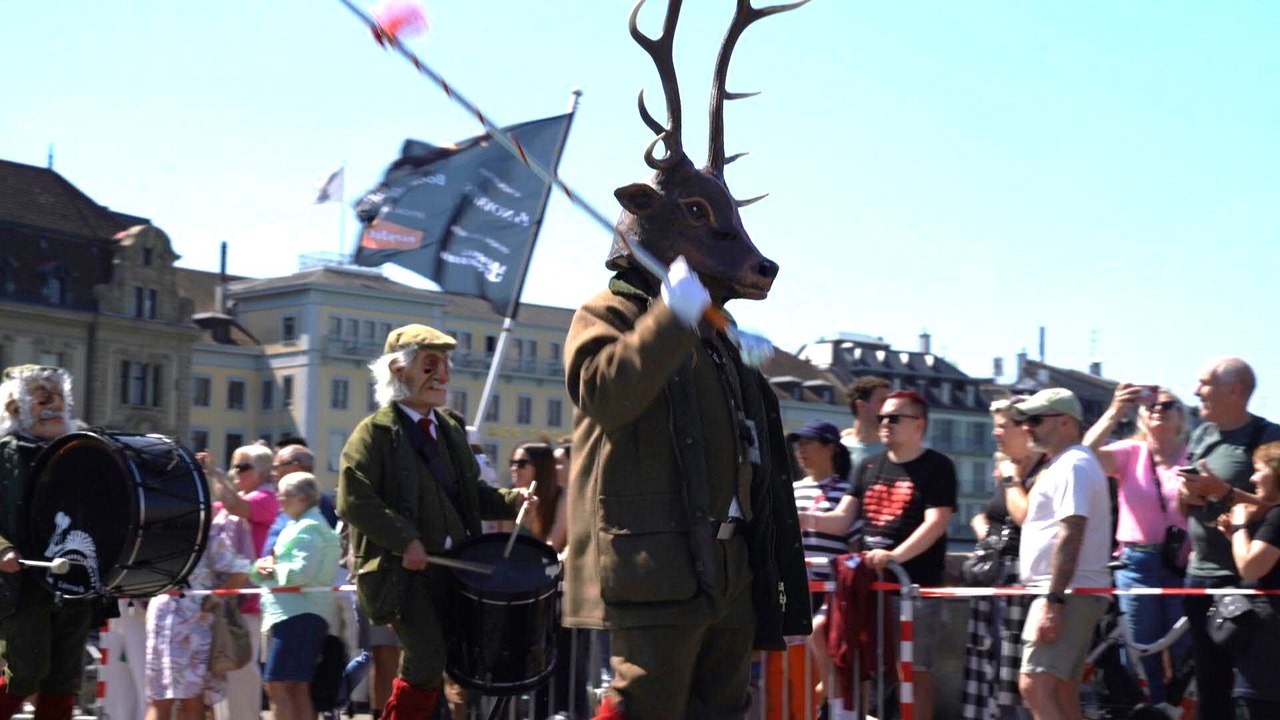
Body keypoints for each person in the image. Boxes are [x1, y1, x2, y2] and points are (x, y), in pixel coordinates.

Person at [563, 252, 810, 720]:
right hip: (658, 559)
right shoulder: (611, 311)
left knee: (722, 706)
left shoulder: (716, 324)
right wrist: (669, 318)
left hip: (731, 558)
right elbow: (603, 394)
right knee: (647, 704)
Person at [338, 323, 532, 719]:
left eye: (445, 364)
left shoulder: (450, 431)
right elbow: (353, 499)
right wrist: (404, 539)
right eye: (430, 365)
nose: (442, 375)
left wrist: (514, 500)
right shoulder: (373, 433)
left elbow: (472, 496)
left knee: (454, 662)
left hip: (454, 570)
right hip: (401, 573)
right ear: (398, 371)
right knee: (426, 658)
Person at [1176, 356, 1280, 717]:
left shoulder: (1269, 438)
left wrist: (1221, 492)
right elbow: (1187, 505)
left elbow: (1276, 509)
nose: (1195, 391)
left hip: (1244, 580)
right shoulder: (1202, 434)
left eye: (1203, 383)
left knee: (1254, 689)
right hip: (1198, 576)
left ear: (1234, 390)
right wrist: (1188, 495)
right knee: (1210, 683)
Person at [1082, 383, 1189, 705]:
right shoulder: (1131, 453)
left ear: (1181, 417)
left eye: (1167, 405)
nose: (1158, 409)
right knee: (1142, 650)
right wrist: (1116, 409)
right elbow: (1086, 453)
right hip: (1138, 563)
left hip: (1181, 564)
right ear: (1141, 417)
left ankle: (1180, 709)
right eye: (1150, 406)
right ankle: (1151, 710)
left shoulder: (1194, 454)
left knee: (1185, 649)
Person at [852, 390, 957, 720]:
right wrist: (803, 519)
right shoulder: (867, 465)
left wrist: (894, 556)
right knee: (863, 662)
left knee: (912, 669)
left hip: (914, 588)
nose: (884, 423)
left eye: (894, 418)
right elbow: (846, 516)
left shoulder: (938, 466)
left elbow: (937, 521)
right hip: (870, 585)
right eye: (881, 417)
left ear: (918, 425)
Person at [1011, 388, 1112, 720]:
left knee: (1035, 685)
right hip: (1073, 591)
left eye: (1036, 419)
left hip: (1067, 592)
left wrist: (1054, 601)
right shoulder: (1069, 464)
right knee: (1062, 691)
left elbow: (1072, 532)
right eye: (1025, 420)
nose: (1027, 427)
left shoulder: (1073, 465)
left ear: (1067, 422)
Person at [0, 364, 94, 720]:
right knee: (22, 674)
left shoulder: (81, 452)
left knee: (64, 681)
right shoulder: (5, 453)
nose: (55, 405)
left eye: (60, 397)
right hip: (21, 586)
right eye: (43, 398)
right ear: (15, 407)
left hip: (74, 582)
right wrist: (2, 548)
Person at [962, 396, 1045, 720]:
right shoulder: (1007, 469)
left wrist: (1011, 479)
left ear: (1024, 428)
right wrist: (981, 525)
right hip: (993, 576)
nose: (996, 433)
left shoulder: (1041, 470)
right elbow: (991, 514)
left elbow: (1026, 516)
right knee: (986, 661)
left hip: (1020, 579)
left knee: (1012, 668)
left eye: (1002, 426)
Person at [250, 472, 342, 720]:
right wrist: (264, 569)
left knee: (278, 684)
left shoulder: (308, 528)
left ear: (301, 498)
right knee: (295, 685)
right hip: (297, 615)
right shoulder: (299, 525)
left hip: (298, 615)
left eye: (283, 495)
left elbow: (302, 572)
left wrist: (269, 569)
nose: (278, 499)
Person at [779, 420, 855, 719]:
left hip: (831, 591)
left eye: (809, 443)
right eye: (799, 444)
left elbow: (854, 542)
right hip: (796, 590)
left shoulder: (847, 492)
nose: (801, 450)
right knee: (791, 662)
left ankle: (830, 711)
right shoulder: (792, 490)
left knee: (826, 656)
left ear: (830, 448)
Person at [144, 511, 252, 720]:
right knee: (165, 699)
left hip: (188, 623)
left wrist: (216, 598)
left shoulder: (206, 540)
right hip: (171, 620)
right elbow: (242, 571)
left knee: (181, 699)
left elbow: (242, 571)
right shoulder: (163, 538)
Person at [201, 443, 280, 720]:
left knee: (242, 666)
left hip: (248, 596)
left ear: (263, 472)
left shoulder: (268, 498)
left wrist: (215, 474)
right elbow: (210, 510)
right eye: (233, 465)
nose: (235, 472)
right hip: (225, 595)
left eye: (242, 467)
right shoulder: (240, 494)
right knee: (223, 665)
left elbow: (236, 507)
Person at [1217, 441, 1280, 717]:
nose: (1252, 479)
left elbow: (1252, 568)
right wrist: (1236, 537)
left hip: (1269, 655)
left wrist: (1241, 524)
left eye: (1258, 470)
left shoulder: (1278, 518)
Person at [840, 376, 890, 472]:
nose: (890, 408)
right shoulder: (836, 449)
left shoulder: (895, 451)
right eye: (883, 401)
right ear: (861, 406)